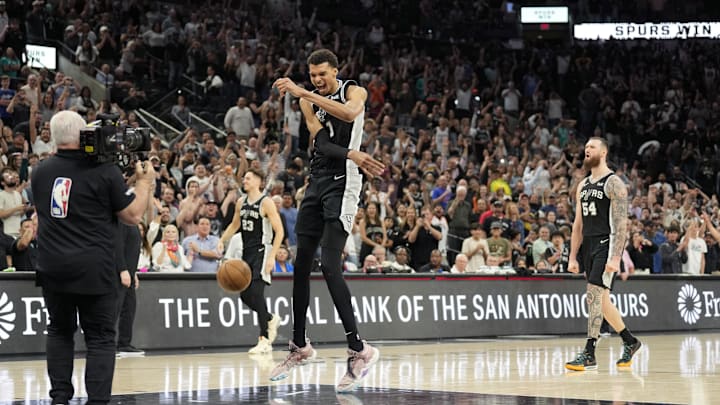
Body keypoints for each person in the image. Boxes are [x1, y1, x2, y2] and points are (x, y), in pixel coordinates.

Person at [270, 48, 385, 392]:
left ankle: (359, 349)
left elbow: (350, 115)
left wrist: (303, 92)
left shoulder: (354, 90)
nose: (317, 80)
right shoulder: (308, 101)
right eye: (313, 76)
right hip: (318, 178)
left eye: (323, 74)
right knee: (301, 262)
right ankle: (299, 345)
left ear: (336, 70)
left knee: (330, 264)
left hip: (345, 181)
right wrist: (351, 150)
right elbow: (321, 141)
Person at [30, 110, 155, 404]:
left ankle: (59, 398)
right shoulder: (103, 171)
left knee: (59, 331)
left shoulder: (40, 171)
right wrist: (145, 181)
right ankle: (97, 401)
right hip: (93, 269)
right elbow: (132, 215)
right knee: (100, 338)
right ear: (84, 135)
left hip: (52, 266)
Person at [566, 137, 641, 372]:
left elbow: (621, 224)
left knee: (594, 295)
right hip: (588, 245)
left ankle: (589, 351)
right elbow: (577, 225)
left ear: (604, 152)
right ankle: (630, 341)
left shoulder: (614, 182)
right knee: (602, 300)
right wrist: (572, 256)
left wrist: (616, 256)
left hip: (606, 243)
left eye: (592, 147)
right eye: (586, 147)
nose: (587, 150)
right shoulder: (583, 185)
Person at [221, 168, 284, 354]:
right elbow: (234, 225)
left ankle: (264, 339)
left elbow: (279, 231)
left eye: (248, 178)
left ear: (258, 181)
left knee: (256, 293)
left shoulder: (267, 203)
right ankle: (270, 318)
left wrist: (272, 256)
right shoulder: (241, 202)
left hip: (262, 251)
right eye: (244, 178)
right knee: (244, 296)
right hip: (246, 253)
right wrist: (221, 241)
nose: (244, 180)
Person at [115, 221, 144, 357]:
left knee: (129, 309)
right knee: (113, 310)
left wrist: (133, 272)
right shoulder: (121, 222)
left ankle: (124, 344)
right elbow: (117, 247)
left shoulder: (132, 223)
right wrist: (122, 269)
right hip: (117, 274)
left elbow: (129, 250)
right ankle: (105, 345)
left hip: (130, 274)